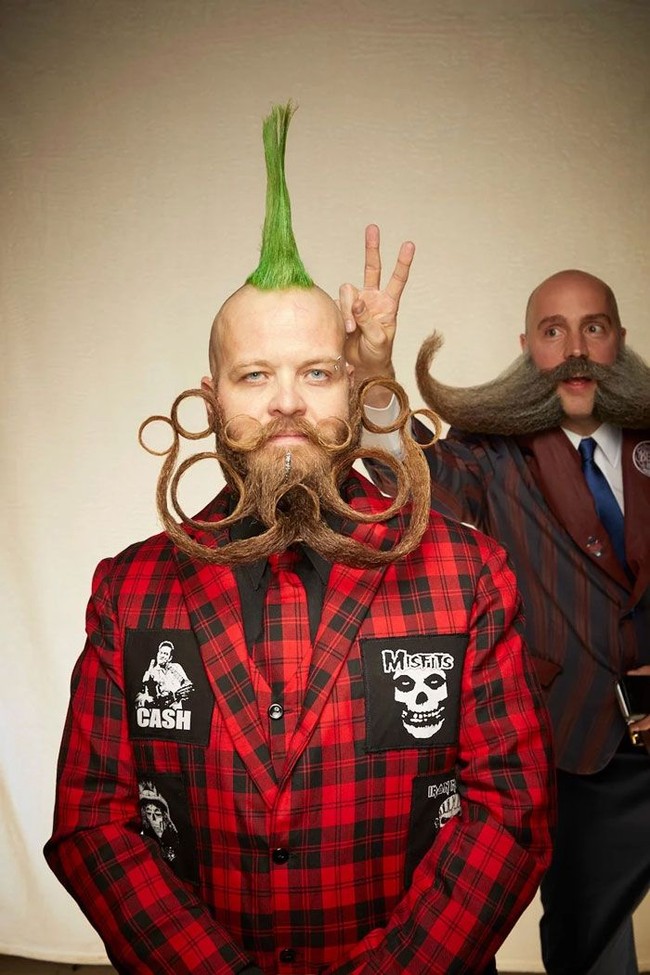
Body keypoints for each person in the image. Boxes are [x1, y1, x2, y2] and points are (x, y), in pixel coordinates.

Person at [44, 105, 554, 975]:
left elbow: (510, 814)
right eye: (256, 374)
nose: (286, 401)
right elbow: (94, 821)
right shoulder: (127, 591)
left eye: (316, 372)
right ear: (212, 400)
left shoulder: (465, 574)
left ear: (351, 390)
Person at [346, 227, 650, 975]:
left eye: (593, 327)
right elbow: (408, 477)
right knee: (590, 936)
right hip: (578, 747)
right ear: (527, 346)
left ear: (619, 339)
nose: (574, 347)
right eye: (553, 330)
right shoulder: (488, 454)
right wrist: (379, 374)